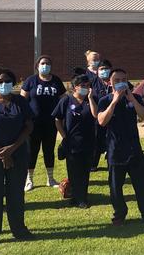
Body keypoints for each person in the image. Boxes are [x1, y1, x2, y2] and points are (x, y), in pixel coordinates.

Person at [97, 68, 144, 225]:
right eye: (116, 80)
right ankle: (119, 213)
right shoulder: (104, 100)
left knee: (142, 185)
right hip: (115, 150)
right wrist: (114, 101)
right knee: (115, 187)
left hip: (134, 150)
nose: (120, 83)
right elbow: (102, 121)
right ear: (110, 82)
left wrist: (131, 98)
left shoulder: (135, 98)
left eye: (123, 80)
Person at [0, 68, 34, 247]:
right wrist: (2, 154)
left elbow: (28, 126)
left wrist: (12, 149)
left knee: (16, 194)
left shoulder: (20, 102)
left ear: (13, 83)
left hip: (18, 154)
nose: (3, 84)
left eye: (7, 81)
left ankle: (19, 229)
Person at [52, 71, 98, 208]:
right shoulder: (66, 100)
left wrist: (90, 98)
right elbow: (57, 119)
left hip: (88, 141)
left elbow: (96, 115)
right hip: (71, 142)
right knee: (73, 171)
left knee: (84, 171)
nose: (86, 87)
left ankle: (82, 197)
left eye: (88, 85)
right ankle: (75, 197)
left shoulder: (91, 100)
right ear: (75, 87)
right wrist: (64, 135)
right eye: (83, 85)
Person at [21, 55, 67, 191]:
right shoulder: (31, 81)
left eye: (47, 63)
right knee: (32, 151)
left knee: (49, 150)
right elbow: (23, 101)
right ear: (37, 66)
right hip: (33, 123)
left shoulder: (56, 81)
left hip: (50, 123)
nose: (45, 65)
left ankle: (50, 179)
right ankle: (29, 180)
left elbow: (63, 99)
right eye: (42, 63)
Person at [91, 59, 113, 171]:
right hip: (97, 117)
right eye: (101, 69)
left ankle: (111, 163)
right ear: (97, 71)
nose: (104, 71)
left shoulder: (115, 81)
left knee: (111, 141)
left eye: (106, 68)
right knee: (96, 140)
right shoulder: (92, 83)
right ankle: (93, 164)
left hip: (113, 117)